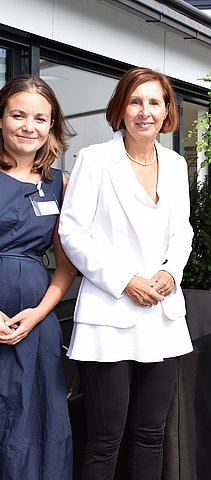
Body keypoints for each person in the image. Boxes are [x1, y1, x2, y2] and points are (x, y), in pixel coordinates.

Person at [58, 67, 193, 480]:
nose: (145, 111)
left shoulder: (173, 164)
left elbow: (183, 230)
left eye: (155, 102)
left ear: (167, 110)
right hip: (109, 313)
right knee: (105, 439)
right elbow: (72, 232)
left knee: (151, 434)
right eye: (136, 101)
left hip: (163, 315)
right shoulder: (95, 159)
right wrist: (125, 281)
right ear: (120, 107)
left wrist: (171, 272)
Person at [0, 75, 76, 479]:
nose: (28, 126)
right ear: (1, 119)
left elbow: (66, 267)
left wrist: (37, 314)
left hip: (36, 321)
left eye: (39, 118)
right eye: (18, 115)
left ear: (51, 126)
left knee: (36, 418)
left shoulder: (60, 184)